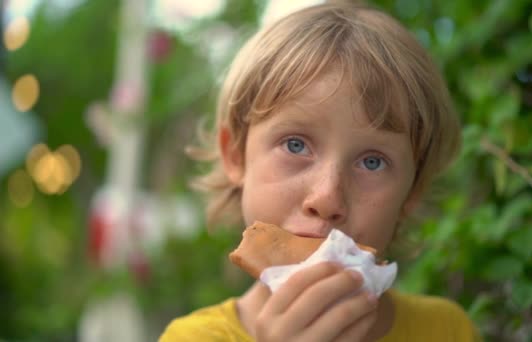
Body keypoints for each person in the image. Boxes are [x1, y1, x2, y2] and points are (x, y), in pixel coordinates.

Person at [160, 2, 481, 341]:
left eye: (372, 162)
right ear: (236, 156)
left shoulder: (447, 331)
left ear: (412, 192)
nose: (327, 197)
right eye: (295, 145)